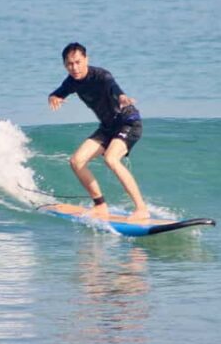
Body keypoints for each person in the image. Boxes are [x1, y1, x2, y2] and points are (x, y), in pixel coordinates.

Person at [48, 42, 150, 221]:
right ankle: (100, 205)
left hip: (128, 122)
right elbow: (58, 92)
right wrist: (53, 97)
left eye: (78, 62)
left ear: (86, 59)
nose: (75, 67)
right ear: (65, 65)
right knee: (76, 161)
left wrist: (122, 97)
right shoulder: (72, 81)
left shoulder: (101, 76)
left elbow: (114, 87)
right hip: (108, 127)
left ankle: (141, 209)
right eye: (70, 64)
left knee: (111, 158)